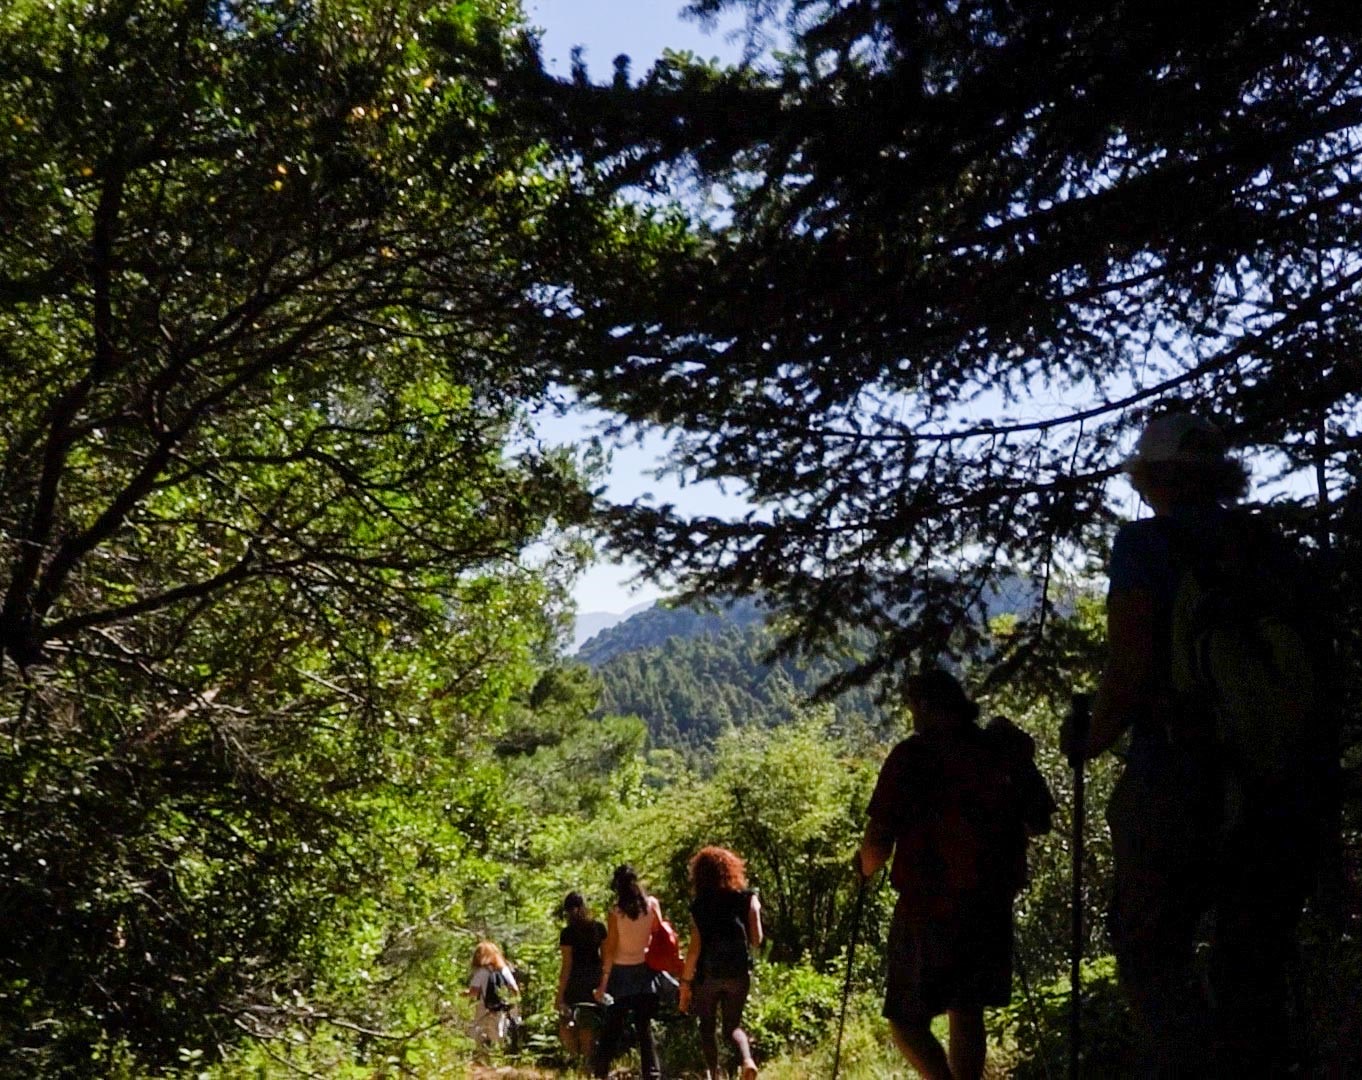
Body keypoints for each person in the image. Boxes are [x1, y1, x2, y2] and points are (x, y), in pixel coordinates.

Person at [1063, 411, 1324, 1075]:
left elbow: (1129, 671)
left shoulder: (1148, 546)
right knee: (1253, 953)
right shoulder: (1268, 545)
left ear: (1151, 476)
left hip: (1176, 775)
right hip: (1275, 777)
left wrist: (1088, 741)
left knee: (1151, 949)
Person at [857, 670, 1055, 1080]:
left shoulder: (912, 757)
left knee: (905, 1017)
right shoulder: (995, 751)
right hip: (989, 904)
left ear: (927, 706)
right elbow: (1040, 820)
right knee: (966, 1009)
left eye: (914, 705)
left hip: (926, 906)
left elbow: (878, 840)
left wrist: (863, 868)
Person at [678, 846, 763, 1080]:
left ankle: (714, 1075)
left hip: (709, 975)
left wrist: (685, 982)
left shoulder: (699, 906)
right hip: (738, 973)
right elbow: (757, 939)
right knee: (732, 1027)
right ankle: (747, 1060)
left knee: (707, 1027)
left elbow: (694, 949)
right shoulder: (747, 897)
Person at [594, 864, 667, 1080]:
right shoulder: (651, 905)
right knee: (644, 1026)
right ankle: (652, 1073)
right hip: (645, 971)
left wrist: (603, 982)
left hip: (620, 973)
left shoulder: (616, 913)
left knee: (613, 1027)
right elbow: (660, 934)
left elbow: (610, 949)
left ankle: (600, 1071)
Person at [556, 891, 607, 1066]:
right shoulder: (599, 928)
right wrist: (604, 983)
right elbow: (607, 959)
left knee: (567, 1019)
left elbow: (567, 964)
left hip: (574, 981)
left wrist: (559, 994)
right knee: (588, 1020)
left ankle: (574, 1057)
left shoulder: (567, 933)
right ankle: (586, 1059)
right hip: (594, 979)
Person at [466, 939, 519, 1053]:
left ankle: (482, 1057)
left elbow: (474, 992)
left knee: (478, 1033)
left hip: (484, 1007)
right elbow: (515, 989)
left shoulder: (481, 972)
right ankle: (499, 1055)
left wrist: (463, 993)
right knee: (499, 1033)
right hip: (501, 1007)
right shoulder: (504, 970)